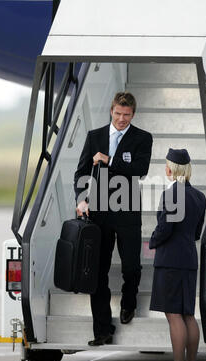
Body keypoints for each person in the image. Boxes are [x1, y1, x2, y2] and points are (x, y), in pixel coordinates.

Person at [74, 92, 153, 346]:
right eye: (118, 114)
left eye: (126, 115)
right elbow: (82, 173)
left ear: (133, 114)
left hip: (128, 210)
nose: (121, 119)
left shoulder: (142, 138)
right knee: (98, 271)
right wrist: (81, 199)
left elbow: (140, 170)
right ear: (111, 111)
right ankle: (102, 330)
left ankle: (129, 302)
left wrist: (109, 161)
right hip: (99, 212)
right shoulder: (94, 136)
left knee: (131, 266)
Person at [149, 148, 206, 361]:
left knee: (173, 315)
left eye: (166, 165)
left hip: (170, 260)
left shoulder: (172, 194)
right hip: (189, 259)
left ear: (172, 168)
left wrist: (153, 240)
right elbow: (196, 232)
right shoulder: (200, 197)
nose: (165, 169)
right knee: (188, 314)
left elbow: (165, 228)